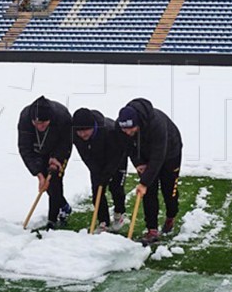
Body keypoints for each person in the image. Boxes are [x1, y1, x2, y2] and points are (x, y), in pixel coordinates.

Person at [117, 98, 182, 245]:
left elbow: (158, 156)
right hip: (145, 153)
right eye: (124, 129)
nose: (127, 132)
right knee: (148, 192)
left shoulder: (156, 125)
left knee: (168, 188)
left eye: (130, 129)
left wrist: (144, 182)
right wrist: (138, 163)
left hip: (170, 151)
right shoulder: (121, 126)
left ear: (138, 123)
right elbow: (127, 146)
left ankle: (171, 216)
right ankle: (152, 229)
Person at [17, 96, 72, 230]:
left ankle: (52, 219)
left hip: (58, 148)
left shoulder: (62, 116)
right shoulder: (25, 118)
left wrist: (57, 158)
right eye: (36, 124)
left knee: (54, 180)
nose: (40, 127)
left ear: (50, 119)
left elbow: (66, 142)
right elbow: (24, 148)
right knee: (46, 184)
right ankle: (64, 205)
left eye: (43, 123)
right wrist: (38, 174)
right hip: (38, 150)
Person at [72, 107, 129, 233]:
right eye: (79, 132)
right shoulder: (75, 135)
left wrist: (108, 173)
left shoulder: (110, 130)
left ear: (93, 126)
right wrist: (96, 171)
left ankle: (119, 214)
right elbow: (85, 155)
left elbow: (117, 155)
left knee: (116, 188)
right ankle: (103, 221)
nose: (82, 135)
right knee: (97, 189)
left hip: (117, 158)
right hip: (96, 160)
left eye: (86, 131)